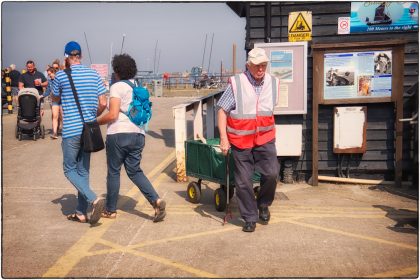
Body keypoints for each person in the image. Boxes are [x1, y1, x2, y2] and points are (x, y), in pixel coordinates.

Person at [97, 53, 166, 222]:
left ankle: (110, 210)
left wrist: (95, 122)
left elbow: (113, 114)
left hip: (119, 134)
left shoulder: (117, 86)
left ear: (117, 71)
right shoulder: (138, 86)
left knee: (114, 172)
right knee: (134, 171)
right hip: (138, 134)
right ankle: (155, 200)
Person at [217, 47, 280, 233]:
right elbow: (222, 110)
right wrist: (223, 138)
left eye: (264, 65)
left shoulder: (273, 82)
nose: (261, 69)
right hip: (240, 140)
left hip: (265, 138)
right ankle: (250, 217)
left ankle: (263, 204)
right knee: (243, 182)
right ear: (248, 65)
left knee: (272, 174)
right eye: (256, 65)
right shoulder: (237, 83)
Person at [51, 41, 107, 224]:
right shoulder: (94, 74)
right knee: (83, 171)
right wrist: (93, 116)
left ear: (66, 57)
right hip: (88, 130)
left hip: (72, 130)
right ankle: (81, 212)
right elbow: (103, 104)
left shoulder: (60, 75)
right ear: (80, 56)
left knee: (69, 169)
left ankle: (93, 199)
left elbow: (55, 98)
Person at [44, 67, 63, 138]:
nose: (50, 76)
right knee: (55, 116)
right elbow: (48, 90)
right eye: (48, 75)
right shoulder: (50, 81)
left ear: (54, 72)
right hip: (55, 101)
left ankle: (66, 132)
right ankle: (55, 133)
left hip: (62, 100)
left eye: (50, 74)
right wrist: (42, 96)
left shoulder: (60, 80)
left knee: (62, 117)